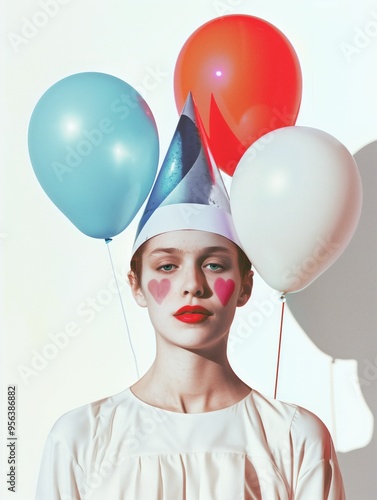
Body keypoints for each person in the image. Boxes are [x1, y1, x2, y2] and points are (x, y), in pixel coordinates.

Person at [35, 95, 345, 499]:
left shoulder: (295, 438)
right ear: (136, 284)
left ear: (246, 285)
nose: (192, 285)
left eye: (214, 265)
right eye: (167, 266)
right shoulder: (80, 438)